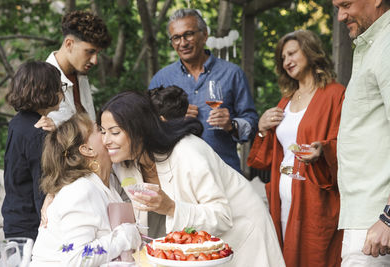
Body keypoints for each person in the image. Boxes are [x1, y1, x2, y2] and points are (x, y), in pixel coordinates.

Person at [98, 91, 285, 267]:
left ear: (141, 131)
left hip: (242, 231)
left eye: (114, 132)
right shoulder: (124, 163)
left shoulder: (188, 152)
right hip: (199, 247)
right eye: (102, 131)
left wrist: (170, 207)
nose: (106, 140)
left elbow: (222, 216)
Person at [247, 30, 345, 267]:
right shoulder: (287, 100)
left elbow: (347, 144)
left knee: (315, 257)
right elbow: (264, 159)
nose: (286, 61)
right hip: (283, 199)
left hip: (316, 199)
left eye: (292, 53)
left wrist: (323, 150)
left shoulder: (335, 94)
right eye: (283, 58)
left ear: (310, 53)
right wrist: (261, 129)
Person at [148, 8, 258, 174]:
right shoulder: (161, 79)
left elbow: (252, 124)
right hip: (179, 175)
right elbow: (147, 127)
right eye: (176, 37)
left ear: (204, 35)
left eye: (189, 34)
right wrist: (173, 123)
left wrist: (232, 125)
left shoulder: (232, 73)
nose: (183, 42)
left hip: (224, 172)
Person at [30, 113, 141, 266]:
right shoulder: (79, 191)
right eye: (100, 130)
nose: (106, 136)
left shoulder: (106, 183)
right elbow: (77, 258)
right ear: (87, 149)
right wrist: (125, 238)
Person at [332, 0, 390, 265]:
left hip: (377, 219)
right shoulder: (373, 45)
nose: (341, 16)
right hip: (367, 216)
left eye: (346, 4)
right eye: (336, 8)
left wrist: (388, 216)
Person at [2, 61, 63, 240]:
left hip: (15, 217)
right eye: (60, 87)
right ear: (46, 91)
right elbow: (43, 187)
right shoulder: (38, 133)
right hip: (32, 226)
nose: (62, 93)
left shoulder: (18, 123)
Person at [45, 10, 111, 127]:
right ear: (69, 44)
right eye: (90, 52)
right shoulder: (41, 82)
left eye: (97, 53)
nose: (94, 61)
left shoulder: (80, 75)